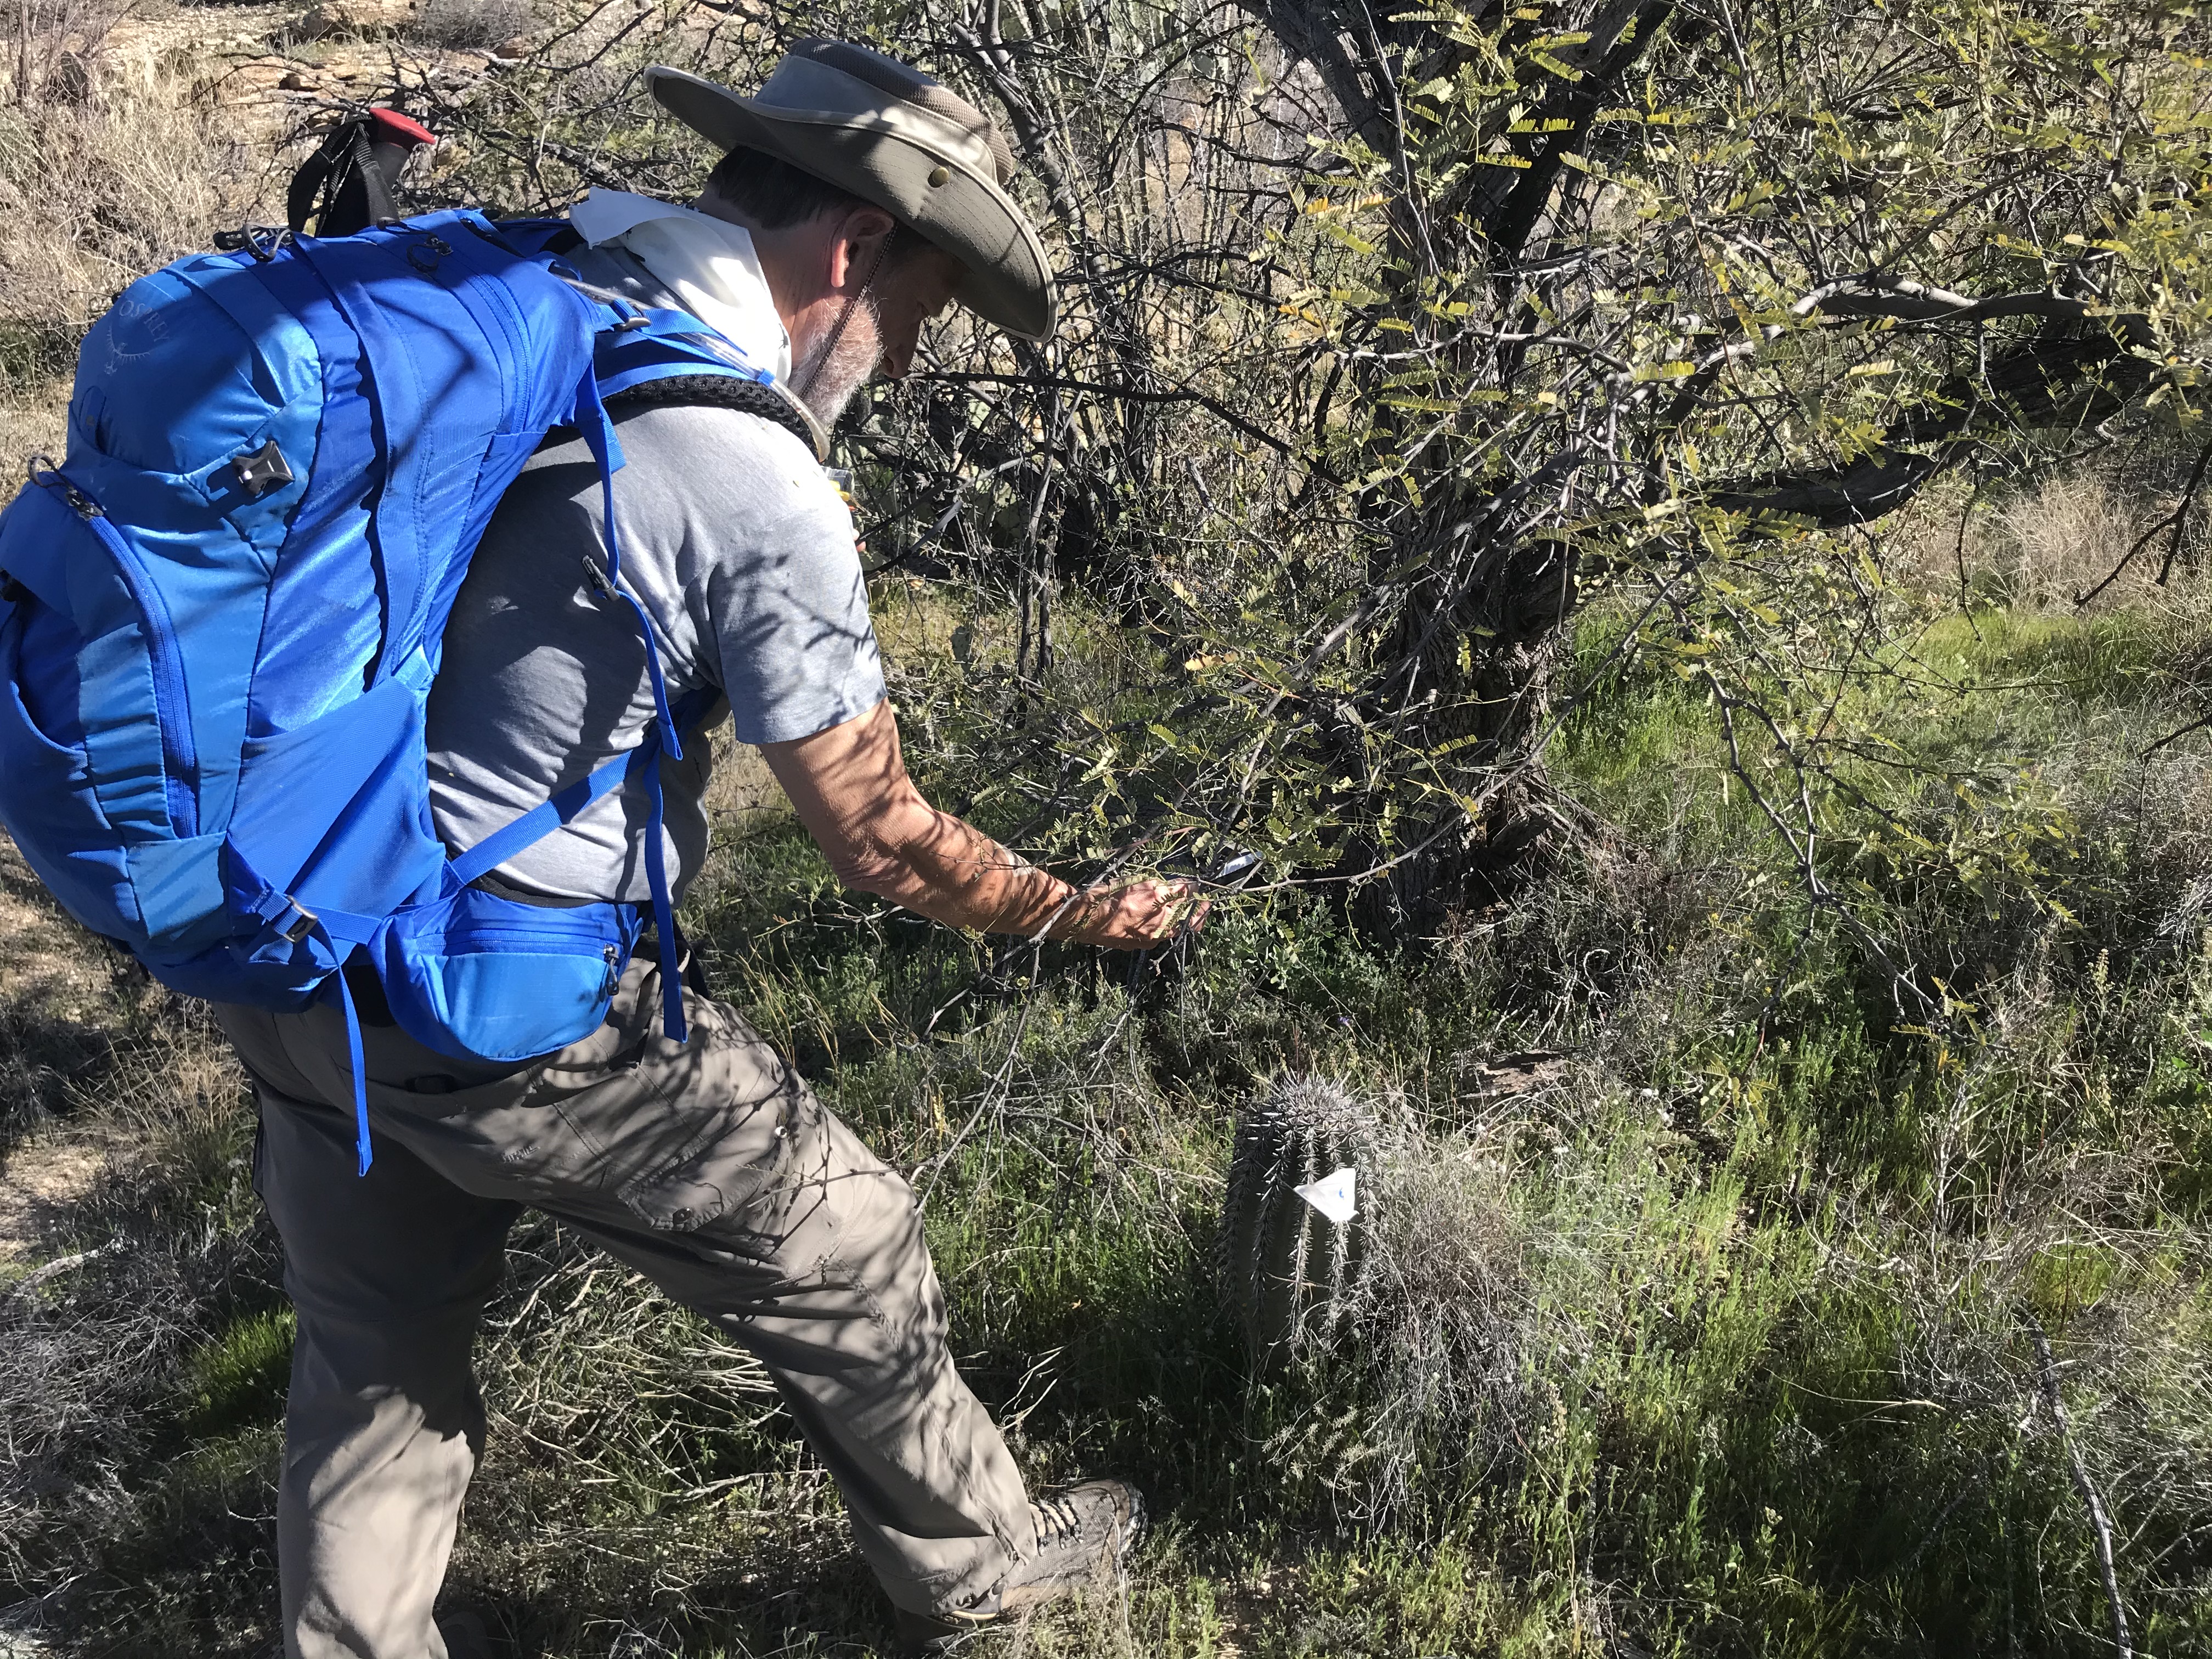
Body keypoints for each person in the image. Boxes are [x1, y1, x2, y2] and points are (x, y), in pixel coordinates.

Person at [212, 38, 1195, 1658]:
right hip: (507, 1011)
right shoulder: (748, 470)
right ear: (857, 246)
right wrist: (1083, 915)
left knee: (376, 1356)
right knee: (853, 1240)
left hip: (298, 955)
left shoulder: (539, 299)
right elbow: (879, 838)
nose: (908, 356)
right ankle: (981, 1569)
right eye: (925, 309)